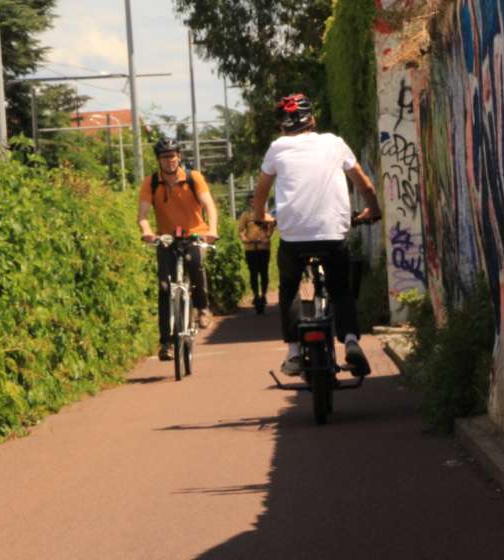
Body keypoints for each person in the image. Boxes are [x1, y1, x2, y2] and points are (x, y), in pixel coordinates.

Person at [251, 93, 381, 377]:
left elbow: (260, 193)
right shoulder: (334, 143)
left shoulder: (277, 148)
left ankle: (294, 352)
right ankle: (350, 341)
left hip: (294, 238)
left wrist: (261, 218)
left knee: (288, 286)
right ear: (313, 119)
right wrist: (372, 210)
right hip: (333, 235)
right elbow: (365, 185)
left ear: (282, 126)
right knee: (340, 289)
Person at [137, 136, 220, 361]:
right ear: (158, 160)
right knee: (165, 287)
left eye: (173, 156)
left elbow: (209, 205)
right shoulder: (151, 183)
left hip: (196, 233)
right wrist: (147, 232)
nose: (169, 161)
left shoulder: (194, 178)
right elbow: (143, 215)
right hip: (166, 238)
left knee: (195, 262)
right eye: (164, 157)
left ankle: (202, 308)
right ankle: (166, 343)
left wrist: (211, 229)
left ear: (179, 157)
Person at [237, 196, 276, 314]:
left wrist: (267, 237)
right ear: (250, 202)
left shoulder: (267, 215)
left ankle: (264, 294)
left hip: (264, 248)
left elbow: (272, 226)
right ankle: (255, 294)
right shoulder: (246, 215)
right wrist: (244, 239)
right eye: (252, 200)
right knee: (253, 273)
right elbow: (240, 230)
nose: (255, 202)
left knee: (264, 272)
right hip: (250, 249)